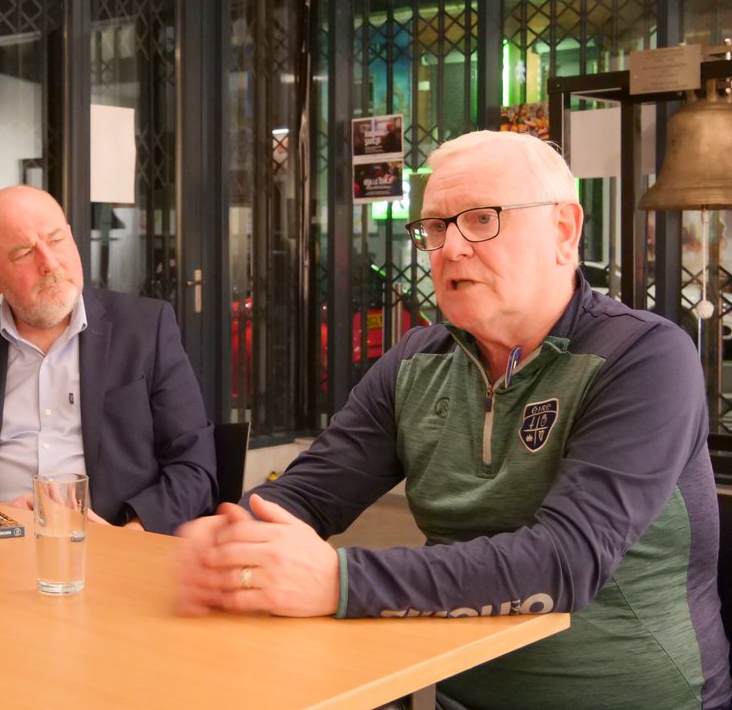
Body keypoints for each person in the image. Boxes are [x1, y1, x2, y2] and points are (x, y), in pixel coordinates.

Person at [175, 130, 731, 709]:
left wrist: (340, 581)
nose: (451, 248)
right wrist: (231, 537)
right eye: (435, 227)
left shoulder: (644, 357)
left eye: (482, 219)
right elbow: (308, 497)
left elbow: (566, 561)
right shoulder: (416, 361)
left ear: (563, 230)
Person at [0, 185, 217, 535]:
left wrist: (132, 531)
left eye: (56, 241)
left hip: (117, 544)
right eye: (24, 252)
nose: (49, 264)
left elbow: (194, 465)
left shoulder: (146, 329)